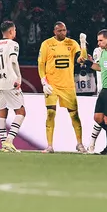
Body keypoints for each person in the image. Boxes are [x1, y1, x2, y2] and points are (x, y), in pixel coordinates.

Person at [38, 22, 87, 153]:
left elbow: (82, 59)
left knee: (74, 115)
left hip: (68, 85)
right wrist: (44, 82)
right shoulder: (47, 44)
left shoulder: (72, 43)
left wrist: (83, 44)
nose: (62, 33)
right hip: (52, 85)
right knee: (50, 113)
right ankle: (49, 146)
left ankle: (80, 144)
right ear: (54, 31)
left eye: (64, 30)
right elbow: (41, 64)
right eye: (59, 30)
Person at [0, 20, 26, 153]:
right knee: (21, 112)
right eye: (15, 30)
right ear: (11, 31)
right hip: (10, 81)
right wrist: (18, 77)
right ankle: (9, 141)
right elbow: (13, 60)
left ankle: (3, 144)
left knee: (2, 113)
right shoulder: (13, 44)